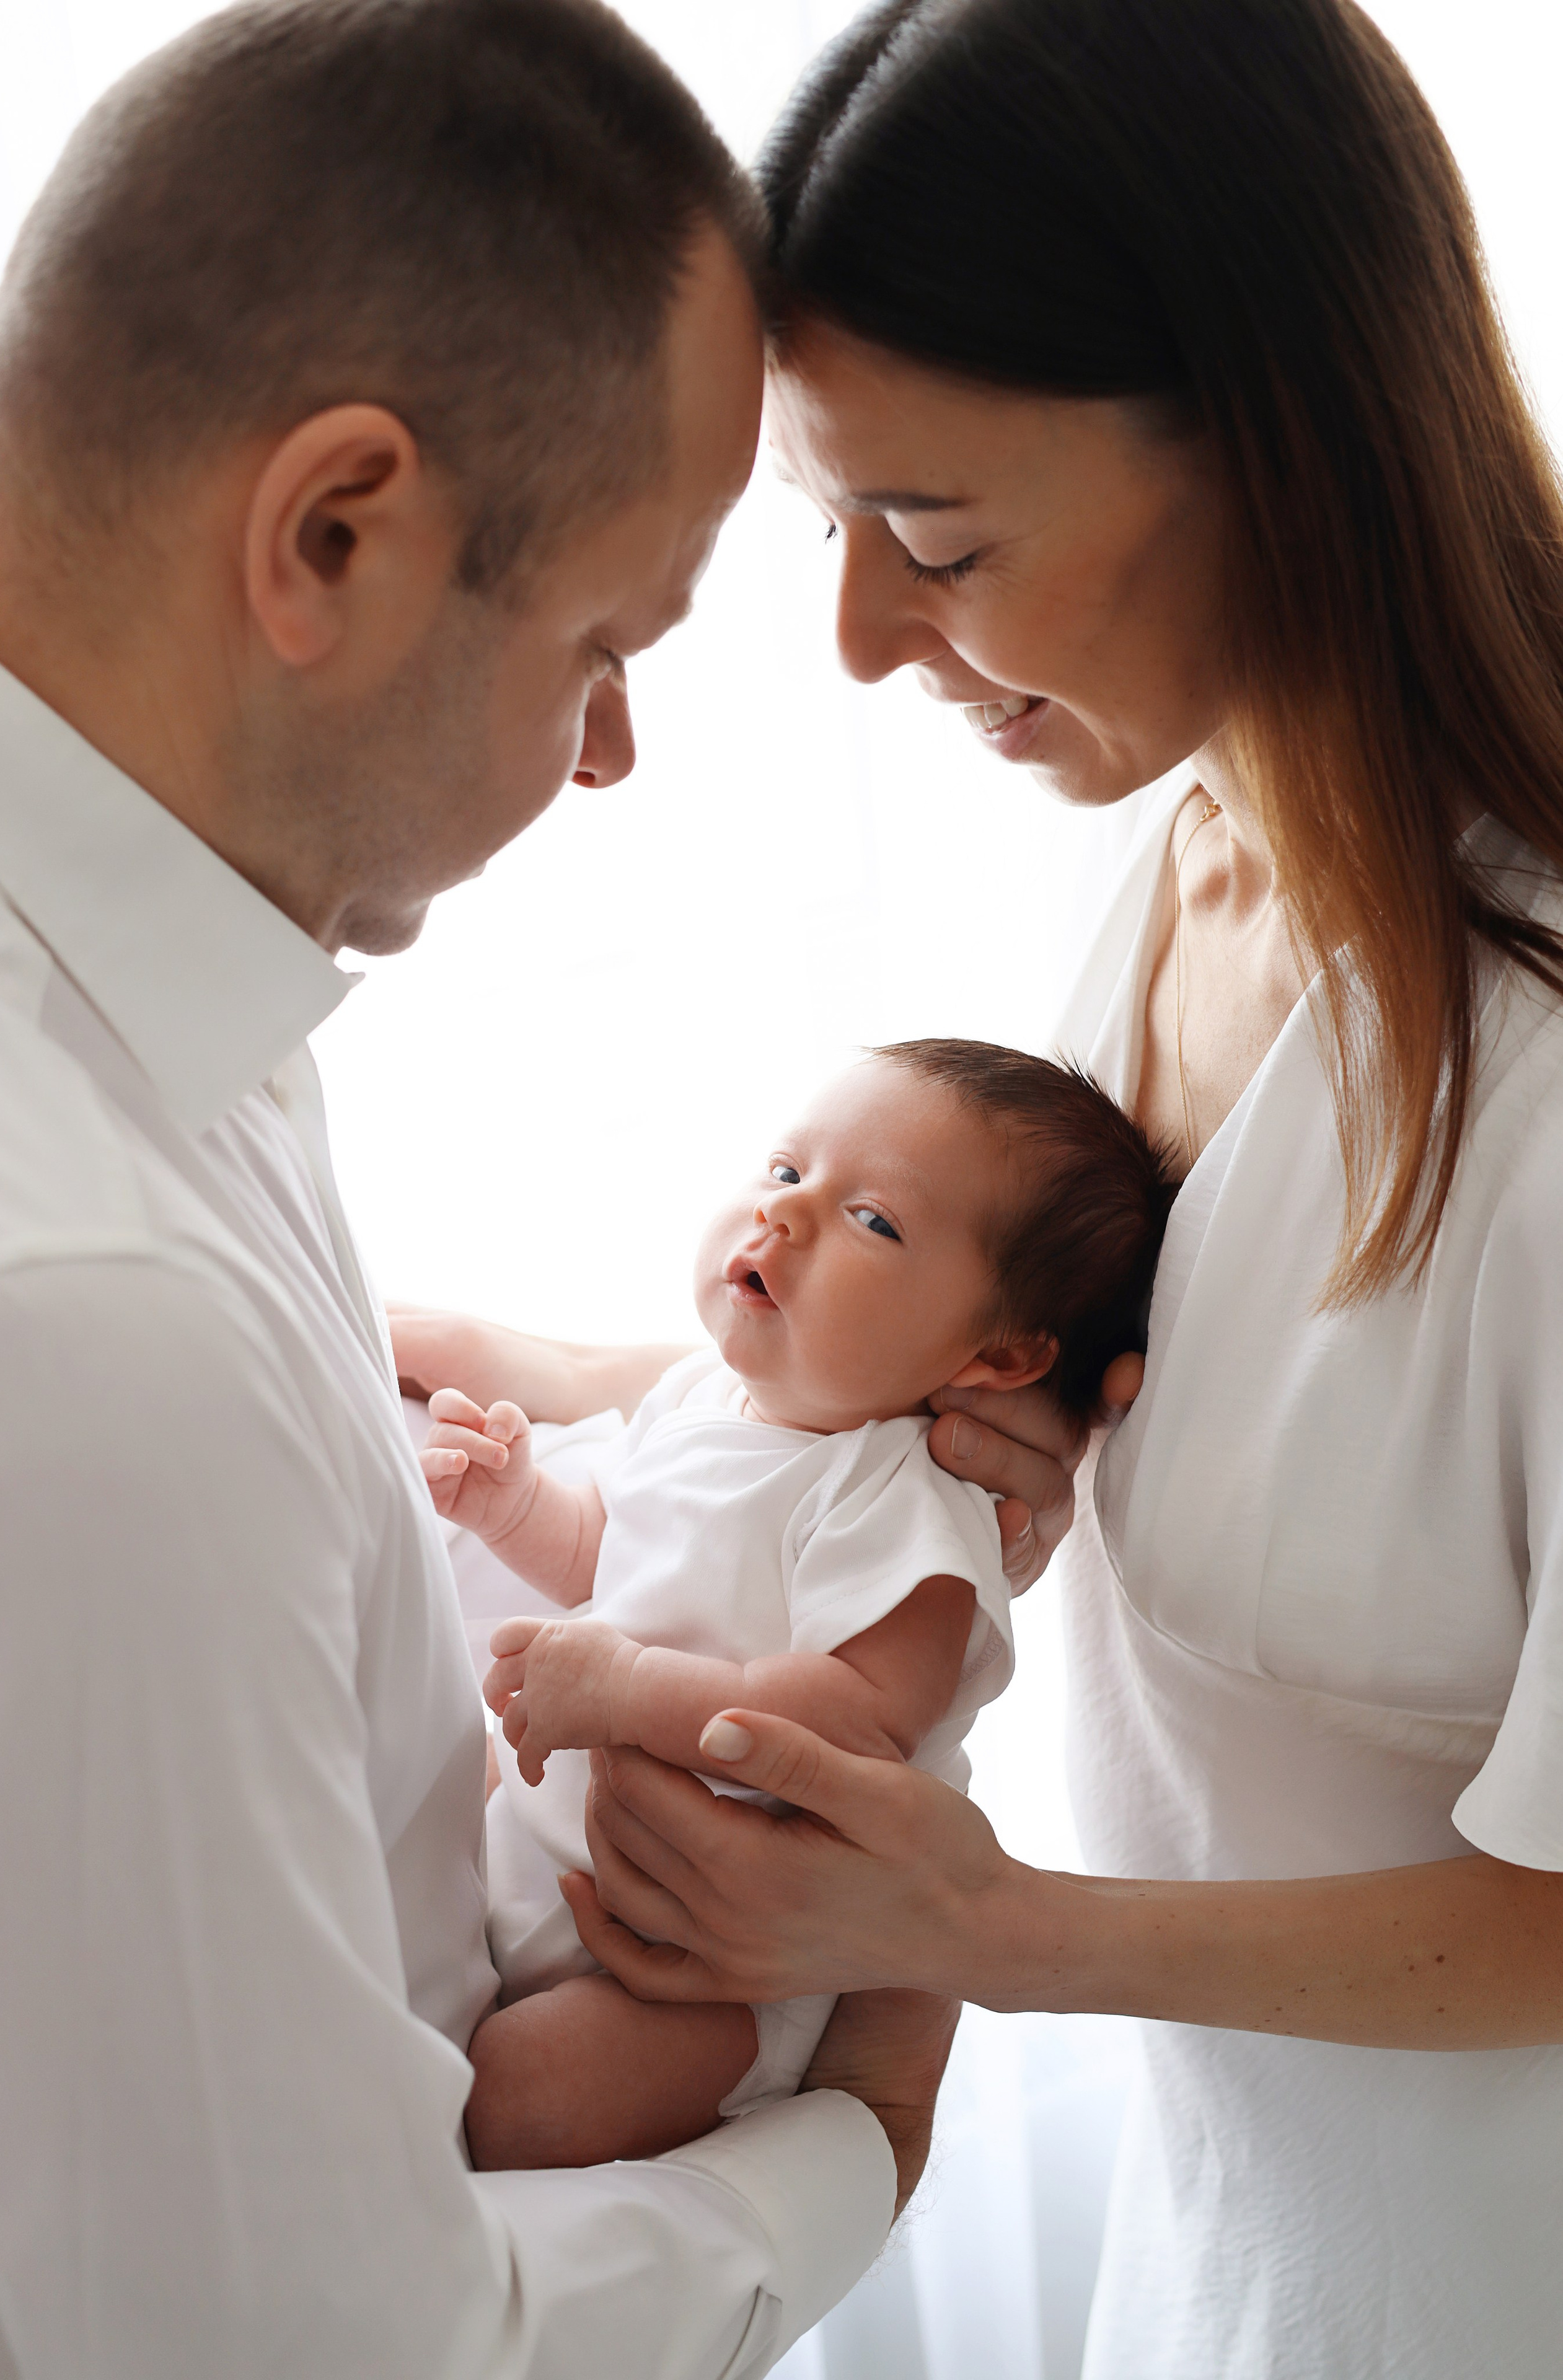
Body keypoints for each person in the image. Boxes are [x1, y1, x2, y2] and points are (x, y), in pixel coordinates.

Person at [400, 2, 1563, 2371]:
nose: (854, 638)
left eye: (929, 537)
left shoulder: (1529, 1057)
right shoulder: (1180, 865)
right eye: (837, 526)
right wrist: (555, 1380)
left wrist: (990, 1930)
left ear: (1280, 444)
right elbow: (1026, 1388)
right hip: (1234, 2240)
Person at [0, 4, 964, 2374]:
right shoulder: (90, 1318)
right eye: (607, 641)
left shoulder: (177, 980)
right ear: (337, 532)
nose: (612, 753)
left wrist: (842, 1414)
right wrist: (872, 2128)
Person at [407, 1042, 1173, 2171]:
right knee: (407, 1769)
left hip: (699, 1965)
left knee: (518, 2107)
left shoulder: (904, 1499)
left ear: (1001, 1353)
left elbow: (859, 1723)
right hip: (549, 1850)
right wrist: (515, 1505)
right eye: (783, 1171)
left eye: (872, 1221)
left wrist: (623, 1691)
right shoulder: (703, 1397)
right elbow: (607, 1560)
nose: (788, 1216)